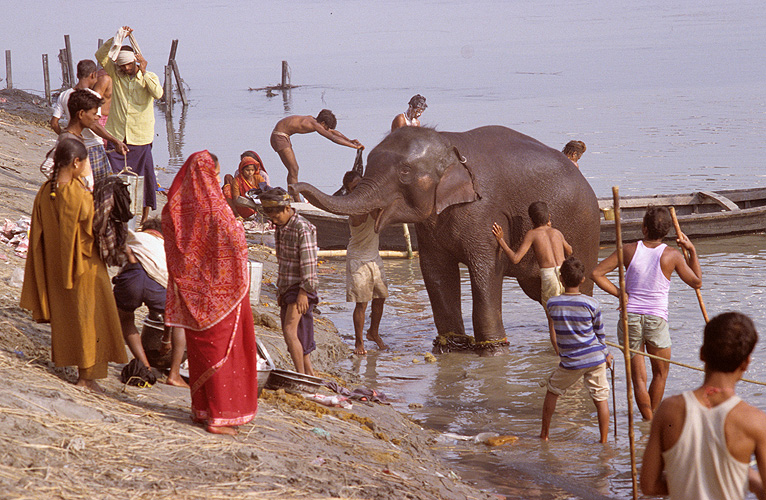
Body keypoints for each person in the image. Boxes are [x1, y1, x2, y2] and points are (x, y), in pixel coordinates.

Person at [20, 138, 127, 392]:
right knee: (90, 319)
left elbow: (40, 235)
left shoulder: (47, 191)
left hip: (57, 268)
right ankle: (86, 378)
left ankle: (80, 372)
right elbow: (95, 227)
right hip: (84, 267)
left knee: (69, 318)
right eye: (86, 162)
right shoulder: (77, 195)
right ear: (76, 162)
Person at [162, 150, 258, 435]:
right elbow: (235, 242)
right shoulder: (216, 210)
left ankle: (202, 410)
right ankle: (217, 417)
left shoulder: (175, 209)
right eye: (215, 175)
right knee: (222, 354)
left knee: (202, 351)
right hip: (222, 295)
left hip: (192, 294)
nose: (217, 180)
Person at [591, 205, 702, 420]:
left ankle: (648, 420)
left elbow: (597, 273)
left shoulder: (629, 250)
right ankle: (649, 422)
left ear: (643, 228)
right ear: (667, 232)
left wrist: (620, 294)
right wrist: (692, 251)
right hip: (656, 319)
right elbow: (697, 282)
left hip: (630, 318)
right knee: (660, 374)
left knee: (638, 379)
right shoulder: (673, 255)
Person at [640, 312, 766, 499]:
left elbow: (649, 486)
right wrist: (747, 480)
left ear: (702, 353)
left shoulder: (669, 410)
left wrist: (681, 480)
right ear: (746, 363)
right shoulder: (754, 421)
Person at [540, 256, 612, 443]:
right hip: (595, 357)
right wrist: (606, 354)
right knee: (601, 399)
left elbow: (556, 328)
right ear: (582, 280)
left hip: (571, 361)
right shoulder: (592, 304)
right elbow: (600, 334)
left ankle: (544, 435)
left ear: (561, 279)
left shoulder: (552, 304)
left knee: (552, 390)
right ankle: (604, 441)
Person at [96, 26, 163, 225]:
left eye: (128, 66)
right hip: (117, 136)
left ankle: (143, 218)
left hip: (141, 137)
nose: (125, 69)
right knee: (115, 177)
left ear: (135, 62)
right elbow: (101, 55)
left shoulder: (148, 78)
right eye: (122, 66)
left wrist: (144, 70)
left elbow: (158, 94)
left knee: (144, 178)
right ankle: (118, 214)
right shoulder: (116, 76)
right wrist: (118, 37)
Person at [112, 218, 187, 387]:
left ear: (146, 229)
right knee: (178, 321)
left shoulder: (137, 236)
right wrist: (166, 340)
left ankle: (144, 365)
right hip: (159, 283)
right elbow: (174, 300)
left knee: (125, 319)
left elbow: (120, 249)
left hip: (132, 275)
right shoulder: (169, 247)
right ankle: (174, 375)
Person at [492, 201, 573, 351]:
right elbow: (569, 251)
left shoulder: (532, 234)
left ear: (531, 220)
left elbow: (516, 259)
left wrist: (501, 240)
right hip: (565, 274)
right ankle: (573, 350)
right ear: (549, 217)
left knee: (553, 322)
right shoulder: (557, 232)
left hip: (549, 278)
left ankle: (560, 357)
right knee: (568, 316)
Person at [258, 187, 319, 375]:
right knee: (298, 332)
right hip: (287, 286)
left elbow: (309, 264)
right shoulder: (281, 227)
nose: (274, 220)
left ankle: (300, 374)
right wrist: (280, 291)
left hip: (299, 287)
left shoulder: (302, 227)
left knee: (289, 331)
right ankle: (308, 372)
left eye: (276, 216)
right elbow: (282, 261)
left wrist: (303, 292)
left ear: (286, 208)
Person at [50, 60, 127, 182]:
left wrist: (66, 136)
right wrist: (115, 140)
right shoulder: (93, 97)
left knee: (80, 183)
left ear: (77, 75)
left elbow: (54, 123)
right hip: (93, 147)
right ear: (93, 75)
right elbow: (94, 125)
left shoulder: (64, 95)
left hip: (75, 146)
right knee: (102, 186)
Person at [270, 110, 363, 201]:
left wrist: (349, 140)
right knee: (293, 169)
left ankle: (293, 197)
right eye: (325, 128)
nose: (325, 130)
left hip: (283, 136)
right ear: (322, 123)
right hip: (279, 137)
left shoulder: (312, 119)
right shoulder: (316, 125)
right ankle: (295, 199)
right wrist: (353, 146)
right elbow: (332, 138)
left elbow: (332, 132)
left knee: (293, 169)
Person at [343, 170, 389, 355]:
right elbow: (366, 213)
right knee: (361, 303)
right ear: (349, 191)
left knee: (381, 297)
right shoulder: (354, 208)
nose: (360, 190)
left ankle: (373, 333)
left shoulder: (373, 203)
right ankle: (359, 342)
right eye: (355, 188)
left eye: (362, 185)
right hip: (357, 259)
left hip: (374, 257)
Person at [223, 153, 268, 218]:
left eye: (252, 170)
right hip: (244, 207)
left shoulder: (258, 178)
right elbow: (236, 199)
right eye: (247, 170)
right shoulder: (238, 180)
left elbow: (265, 190)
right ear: (242, 170)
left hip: (259, 206)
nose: (250, 172)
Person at [93, 67, 113, 142]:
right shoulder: (105, 78)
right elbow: (95, 100)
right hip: (101, 119)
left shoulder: (120, 78)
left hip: (112, 121)